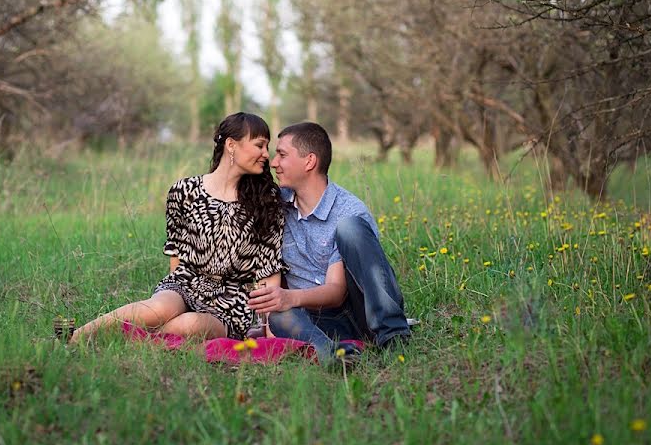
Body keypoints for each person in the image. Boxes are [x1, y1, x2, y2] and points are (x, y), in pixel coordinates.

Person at [71, 113, 286, 343]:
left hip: (231, 303)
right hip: (186, 284)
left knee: (190, 324)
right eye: (260, 145)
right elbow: (177, 257)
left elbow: (268, 269)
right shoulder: (184, 191)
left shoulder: (267, 200)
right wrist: (176, 301)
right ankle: (76, 336)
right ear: (231, 145)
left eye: (267, 147)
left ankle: (131, 339)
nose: (266, 154)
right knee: (158, 309)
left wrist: (267, 326)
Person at [248, 121, 410, 362]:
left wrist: (289, 297)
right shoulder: (276, 206)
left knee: (351, 228)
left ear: (309, 161)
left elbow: (336, 292)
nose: (274, 163)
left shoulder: (347, 211)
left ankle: (393, 337)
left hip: (360, 311)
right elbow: (237, 191)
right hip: (318, 321)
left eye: (282, 155)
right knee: (279, 316)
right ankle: (330, 352)